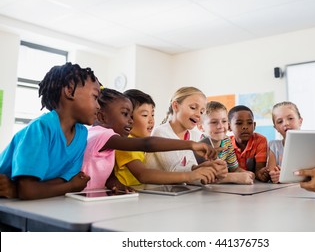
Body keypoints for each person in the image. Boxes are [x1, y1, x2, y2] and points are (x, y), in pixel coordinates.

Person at [82, 87, 219, 190]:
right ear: (101, 117)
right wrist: (191, 149)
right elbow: (147, 149)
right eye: (125, 114)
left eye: (152, 115)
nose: (129, 120)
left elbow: (108, 175)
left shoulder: (111, 140)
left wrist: (117, 185)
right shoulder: (106, 136)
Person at [0, 62, 100, 199]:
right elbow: (28, 191)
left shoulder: (82, 134)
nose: (99, 106)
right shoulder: (41, 128)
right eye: (95, 97)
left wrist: (22, 189)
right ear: (70, 91)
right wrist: (71, 187)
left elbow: (62, 180)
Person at [144, 87, 228, 179]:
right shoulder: (160, 133)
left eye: (201, 111)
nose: (198, 114)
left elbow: (191, 168)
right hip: (156, 192)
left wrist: (209, 166)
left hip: (180, 191)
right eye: (193, 108)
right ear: (175, 106)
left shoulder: (195, 135)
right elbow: (174, 170)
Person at [197, 101, 255, 184]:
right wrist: (234, 177)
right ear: (201, 127)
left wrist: (247, 174)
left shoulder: (227, 141)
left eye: (224, 121)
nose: (220, 126)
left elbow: (234, 168)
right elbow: (202, 177)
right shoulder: (199, 146)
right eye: (214, 122)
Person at [228, 105, 269, 182]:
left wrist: (261, 174)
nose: (245, 127)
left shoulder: (260, 140)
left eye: (249, 123)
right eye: (239, 123)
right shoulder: (226, 143)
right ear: (229, 126)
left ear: (254, 125)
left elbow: (259, 170)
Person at [267, 101, 303, 183]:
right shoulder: (274, 146)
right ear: (276, 128)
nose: (286, 123)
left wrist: (285, 176)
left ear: (300, 121)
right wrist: (275, 176)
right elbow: (272, 173)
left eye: (290, 118)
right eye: (280, 121)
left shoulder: (310, 145)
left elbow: (314, 174)